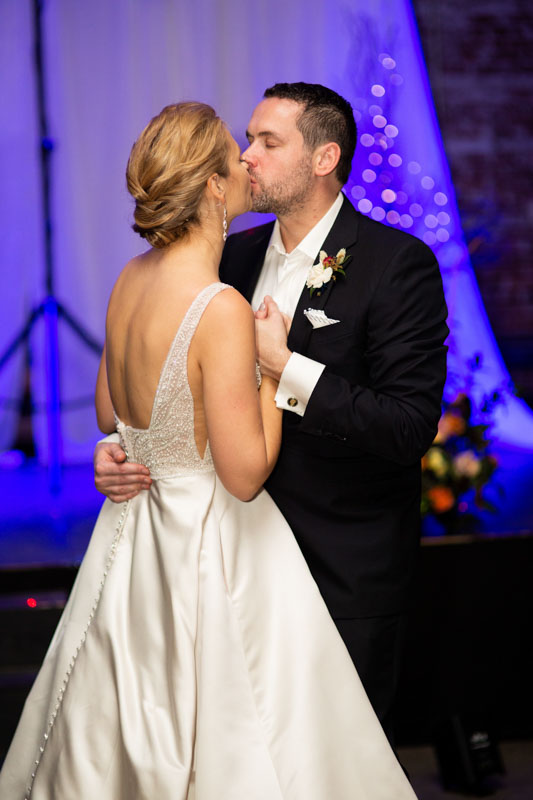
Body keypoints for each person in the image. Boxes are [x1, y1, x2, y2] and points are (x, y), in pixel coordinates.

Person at [0, 102, 416, 799]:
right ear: (213, 187)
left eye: (261, 141)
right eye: (236, 150)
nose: (247, 158)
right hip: (209, 544)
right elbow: (246, 475)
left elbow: (109, 410)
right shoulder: (219, 304)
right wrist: (268, 370)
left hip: (136, 542)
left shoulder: (130, 276)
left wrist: (124, 448)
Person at [95, 83, 449, 747]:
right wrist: (121, 445)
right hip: (228, 561)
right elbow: (171, 383)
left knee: (337, 764)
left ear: (323, 159)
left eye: (267, 141)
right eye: (247, 140)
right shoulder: (223, 256)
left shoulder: (395, 265)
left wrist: (285, 368)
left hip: (341, 570)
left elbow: (407, 427)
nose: (246, 156)